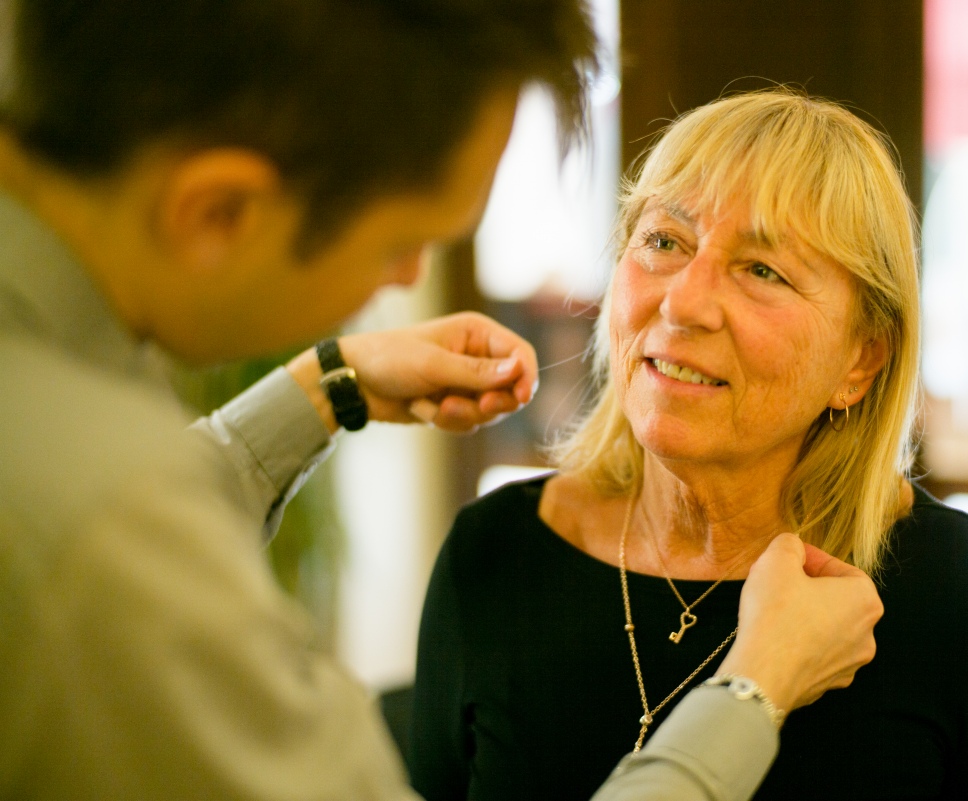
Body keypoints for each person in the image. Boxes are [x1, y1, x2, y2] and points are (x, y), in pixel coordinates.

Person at [0, 4, 883, 800]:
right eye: (402, 241)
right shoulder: (115, 522)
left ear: (863, 357)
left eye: (763, 269)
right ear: (219, 212)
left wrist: (328, 386)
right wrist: (750, 694)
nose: (407, 279)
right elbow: (110, 523)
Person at [410, 89, 968, 800]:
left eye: (762, 270)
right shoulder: (489, 556)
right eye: (664, 241)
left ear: (861, 360)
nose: (682, 301)